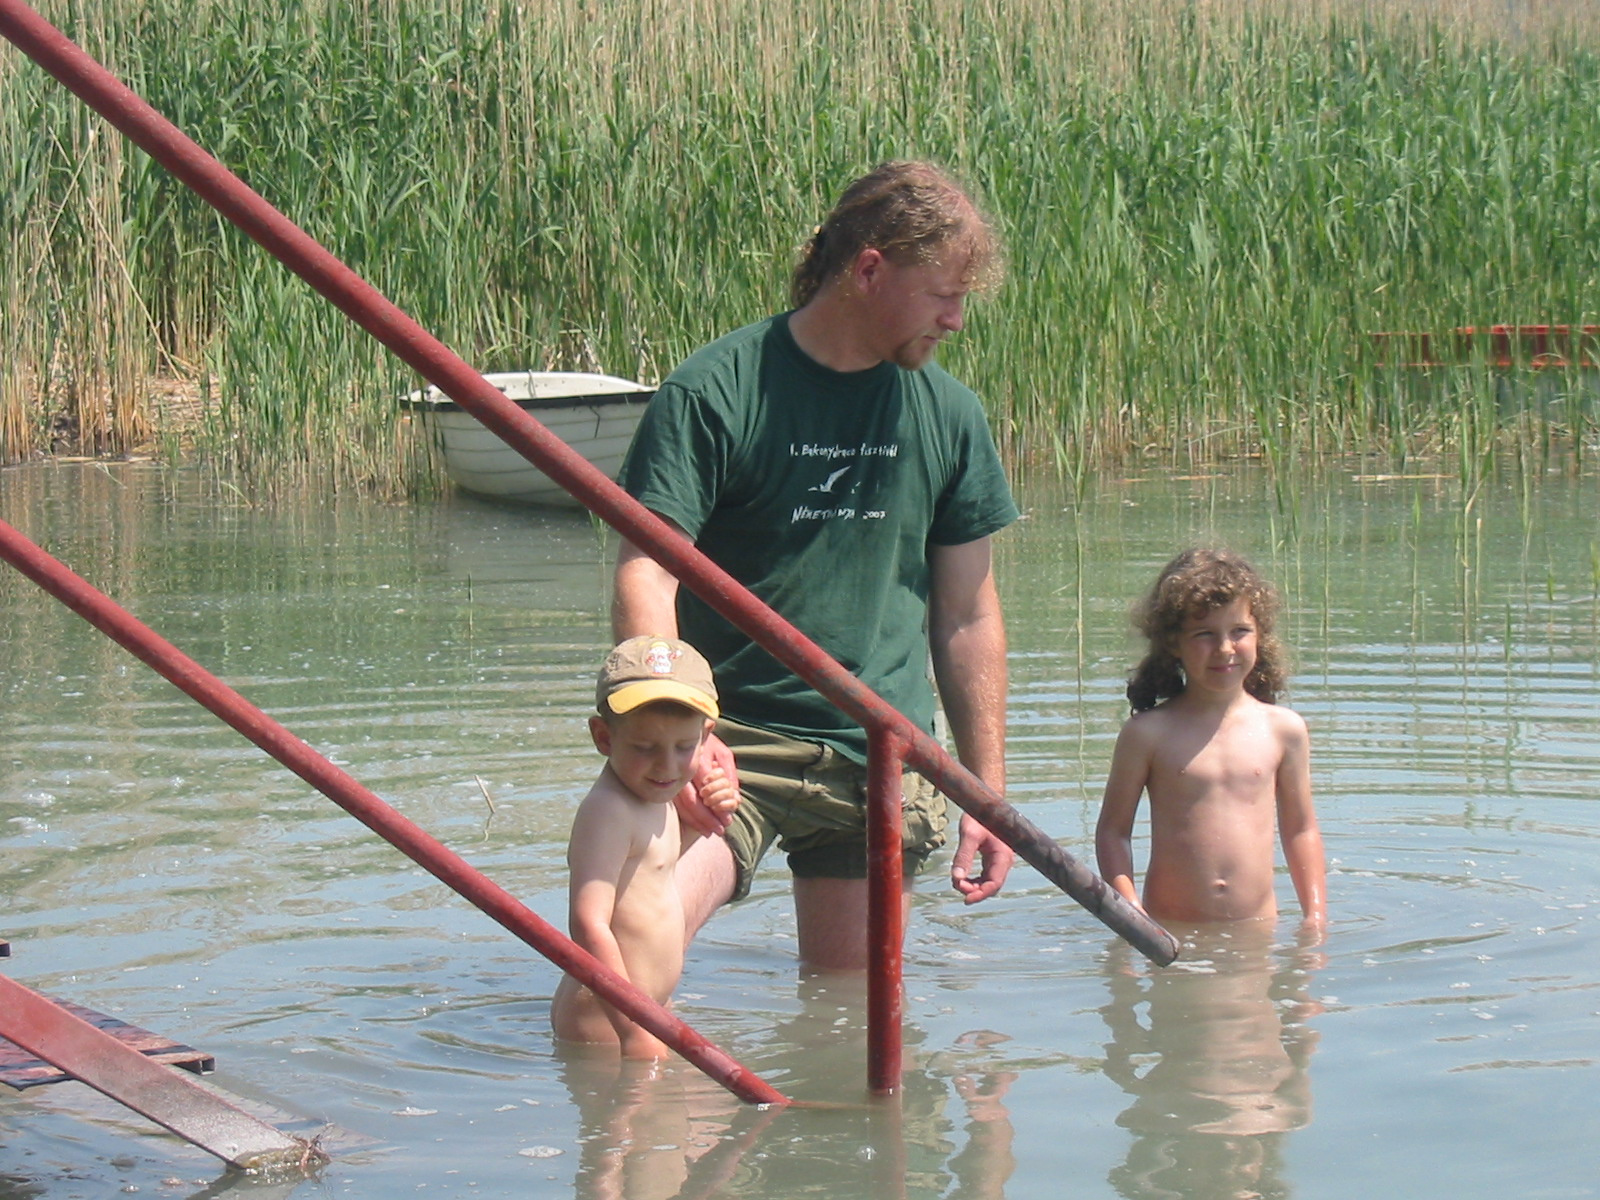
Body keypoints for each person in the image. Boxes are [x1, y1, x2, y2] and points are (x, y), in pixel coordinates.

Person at [611, 160, 1020, 972]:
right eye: (944, 293)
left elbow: (969, 616)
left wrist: (986, 789)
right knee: (628, 959)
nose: (958, 320)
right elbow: (645, 576)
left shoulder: (952, 415)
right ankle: (617, 1101)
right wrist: (679, 738)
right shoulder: (715, 392)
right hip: (732, 742)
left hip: (879, 752)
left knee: (850, 1023)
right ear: (869, 270)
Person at [1094, 548, 1327, 930]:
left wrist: (1315, 917)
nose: (1224, 649)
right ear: (1173, 643)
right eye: (1204, 634)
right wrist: (1130, 909)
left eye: (1239, 631)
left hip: (1258, 932)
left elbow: (1301, 829)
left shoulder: (1284, 730)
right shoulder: (1147, 734)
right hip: (1170, 931)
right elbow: (1113, 832)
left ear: (1260, 634)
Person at [550, 635, 737, 1059]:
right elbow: (588, 924)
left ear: (707, 736)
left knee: (664, 1125)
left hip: (640, 1011)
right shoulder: (608, 811)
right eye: (644, 748)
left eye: (683, 748)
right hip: (607, 1022)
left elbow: (655, 869)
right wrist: (634, 1030)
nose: (667, 766)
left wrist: (713, 813)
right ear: (603, 737)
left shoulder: (652, 797)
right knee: (624, 1121)